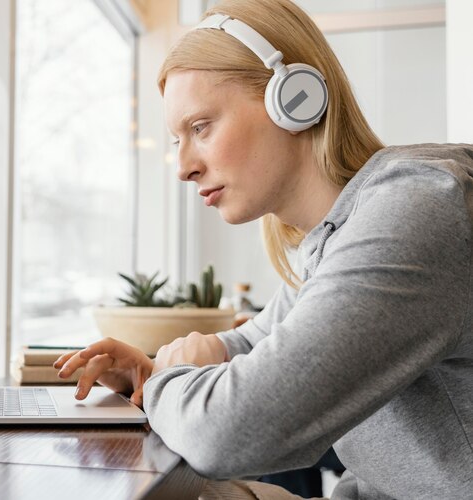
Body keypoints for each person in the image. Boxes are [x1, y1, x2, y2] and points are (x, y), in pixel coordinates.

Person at [54, 0, 473, 498]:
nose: (183, 167)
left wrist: (169, 378)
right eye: (176, 140)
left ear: (294, 100)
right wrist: (149, 372)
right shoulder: (330, 240)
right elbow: (253, 345)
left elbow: (228, 435)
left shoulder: (417, 210)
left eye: (200, 127)